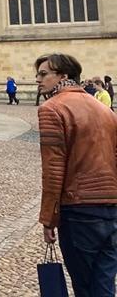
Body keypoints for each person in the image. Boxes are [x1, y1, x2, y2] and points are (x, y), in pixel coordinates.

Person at [36, 53, 117, 296]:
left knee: (84, 287)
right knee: (104, 285)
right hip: (111, 208)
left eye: (43, 74)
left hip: (79, 208)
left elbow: (53, 169)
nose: (38, 80)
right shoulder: (105, 110)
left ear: (63, 76)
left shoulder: (52, 108)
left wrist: (49, 218)